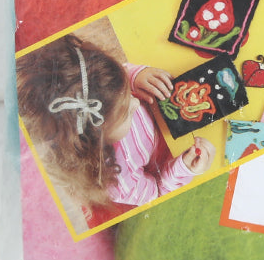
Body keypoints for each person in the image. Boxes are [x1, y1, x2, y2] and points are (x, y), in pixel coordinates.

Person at [16, 34, 214, 221]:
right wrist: (183, 170)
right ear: (96, 141)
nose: (135, 103)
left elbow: (116, 77)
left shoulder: (99, 89)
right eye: (125, 112)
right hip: (170, 153)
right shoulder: (115, 178)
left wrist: (135, 77)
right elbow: (157, 192)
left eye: (126, 92)